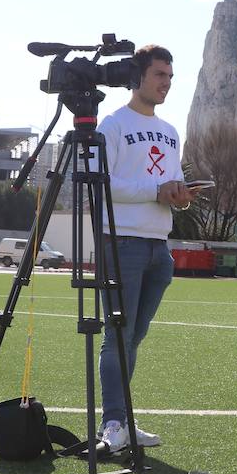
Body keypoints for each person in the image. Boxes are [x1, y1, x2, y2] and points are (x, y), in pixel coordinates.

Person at [92, 44, 194, 452]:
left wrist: (181, 193)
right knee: (117, 337)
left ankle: (123, 420)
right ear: (139, 77)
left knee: (134, 337)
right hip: (121, 242)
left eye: (170, 77)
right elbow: (101, 184)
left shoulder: (170, 132)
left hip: (158, 246)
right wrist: (156, 190)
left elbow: (172, 180)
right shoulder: (112, 125)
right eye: (159, 75)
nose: (166, 84)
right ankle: (113, 423)